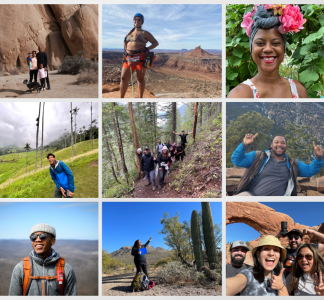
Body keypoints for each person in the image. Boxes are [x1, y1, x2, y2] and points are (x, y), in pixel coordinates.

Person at [227, 5, 308, 98]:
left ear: (284, 47)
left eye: (276, 43)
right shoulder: (239, 95)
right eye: (260, 43)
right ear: (251, 48)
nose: (268, 49)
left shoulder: (299, 90)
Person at [231, 134, 323, 196]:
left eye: (283, 143)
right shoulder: (258, 156)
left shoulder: (293, 163)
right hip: (251, 196)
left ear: (286, 146)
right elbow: (236, 160)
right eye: (276, 142)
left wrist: (318, 157)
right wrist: (244, 145)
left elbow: (310, 171)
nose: (280, 145)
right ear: (271, 145)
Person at [9, 223, 77, 296]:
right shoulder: (20, 268)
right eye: (33, 237)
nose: (37, 240)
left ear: (53, 241)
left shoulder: (66, 270)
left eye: (42, 236)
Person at [120, 13, 159, 98]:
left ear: (142, 22)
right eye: (135, 19)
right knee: (123, 78)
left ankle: (140, 97)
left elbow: (155, 43)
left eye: (139, 19)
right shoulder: (129, 33)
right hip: (128, 58)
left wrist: (147, 49)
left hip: (140, 59)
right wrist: (125, 48)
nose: (136, 20)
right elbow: (125, 42)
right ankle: (121, 98)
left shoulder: (145, 33)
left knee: (140, 79)